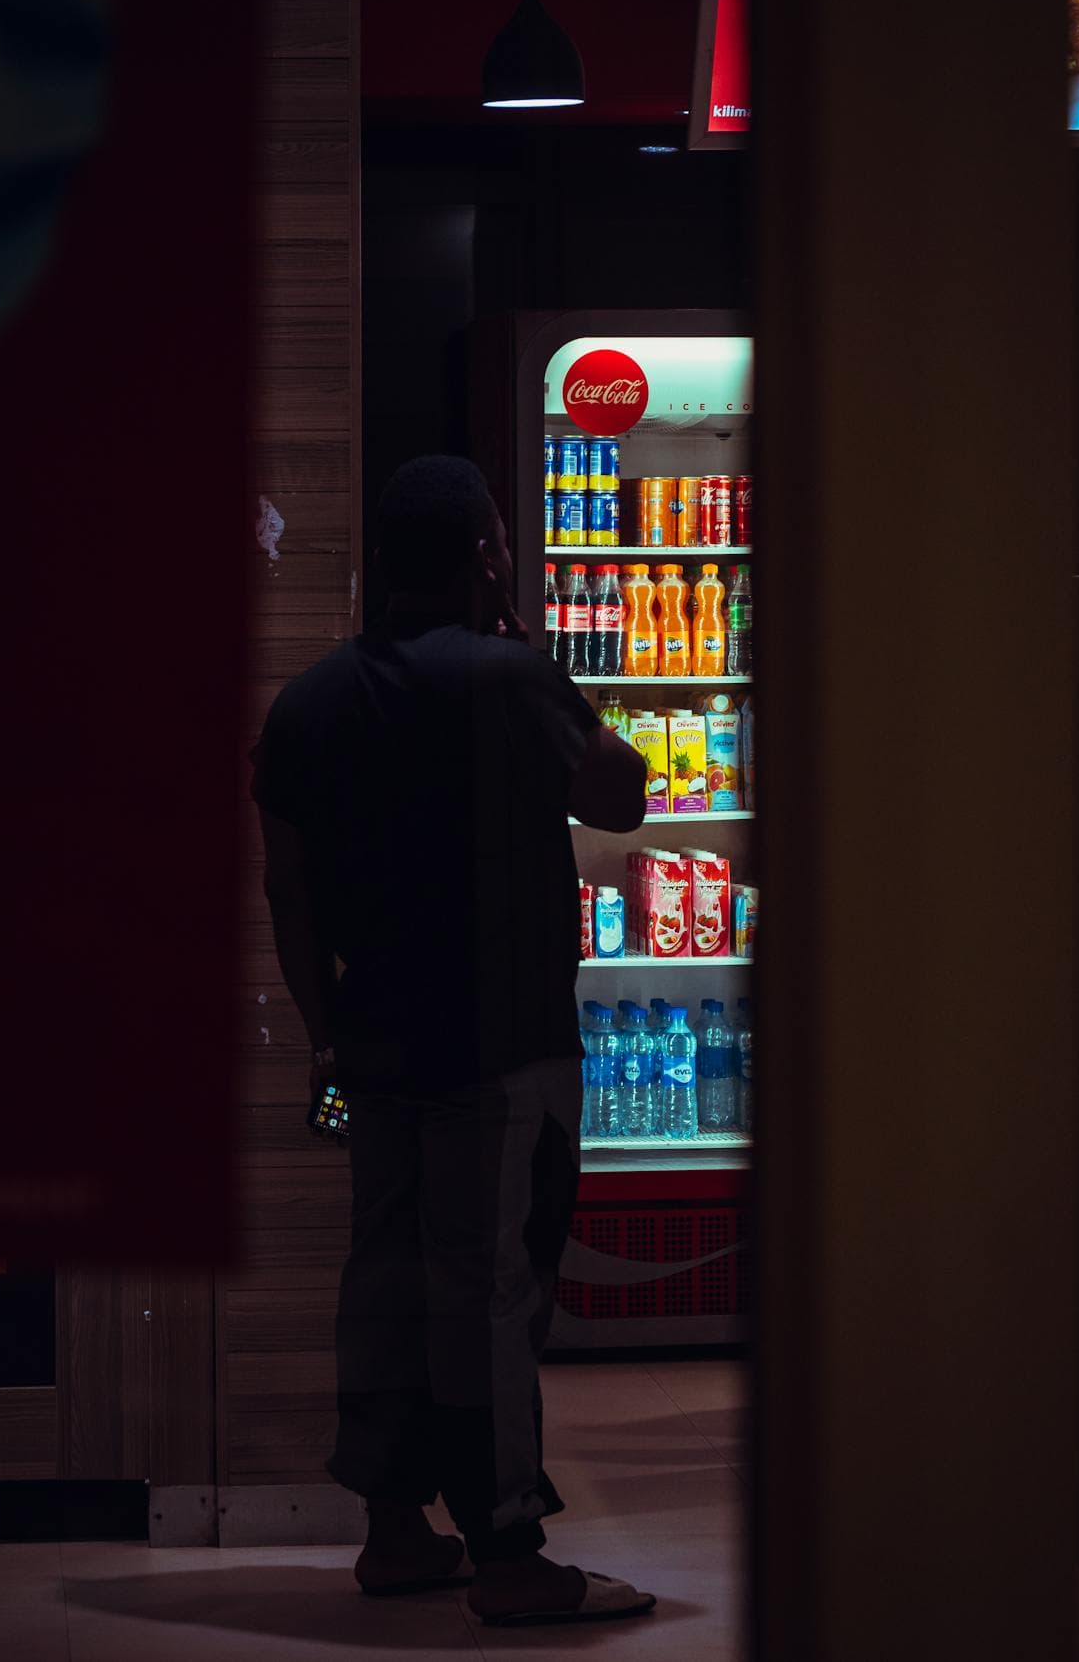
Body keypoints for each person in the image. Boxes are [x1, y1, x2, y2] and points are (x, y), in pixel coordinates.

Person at [252, 455, 654, 1627]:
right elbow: (622, 794)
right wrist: (527, 640)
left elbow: (288, 891)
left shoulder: (309, 702)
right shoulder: (508, 679)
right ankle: (510, 1551)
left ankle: (392, 1529)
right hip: (503, 1046)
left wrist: (325, 1041)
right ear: (485, 553)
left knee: (382, 1275)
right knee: (489, 1285)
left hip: (372, 1045)